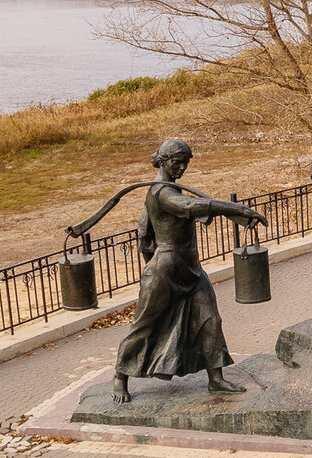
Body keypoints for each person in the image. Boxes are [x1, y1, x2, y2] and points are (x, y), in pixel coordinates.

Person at [113, 139, 267, 404]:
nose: (182, 167)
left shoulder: (172, 189)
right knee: (145, 325)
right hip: (165, 271)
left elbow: (143, 232)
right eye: (177, 162)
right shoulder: (161, 193)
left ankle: (216, 379)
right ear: (163, 161)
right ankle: (119, 377)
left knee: (210, 321)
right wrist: (238, 208)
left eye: (186, 162)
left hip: (191, 270)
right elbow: (188, 209)